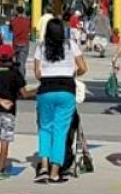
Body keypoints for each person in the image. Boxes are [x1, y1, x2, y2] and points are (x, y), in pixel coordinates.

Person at [33, 17, 87, 183]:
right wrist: (71, 73)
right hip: (66, 90)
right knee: (60, 131)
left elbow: (37, 73)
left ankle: (43, 166)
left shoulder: (41, 47)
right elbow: (83, 67)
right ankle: (55, 171)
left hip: (46, 90)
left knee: (45, 128)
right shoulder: (71, 45)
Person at [0, 44, 34, 179]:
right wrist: (39, 90)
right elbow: (25, 94)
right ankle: (2, 168)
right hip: (9, 111)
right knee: (5, 139)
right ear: (12, 56)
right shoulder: (15, 73)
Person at [9, 6, 32, 74]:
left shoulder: (13, 20)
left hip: (16, 43)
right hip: (25, 43)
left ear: (16, 12)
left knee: (17, 62)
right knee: (22, 62)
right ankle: (21, 78)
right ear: (23, 11)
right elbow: (30, 30)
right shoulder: (28, 20)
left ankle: (18, 77)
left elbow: (10, 30)